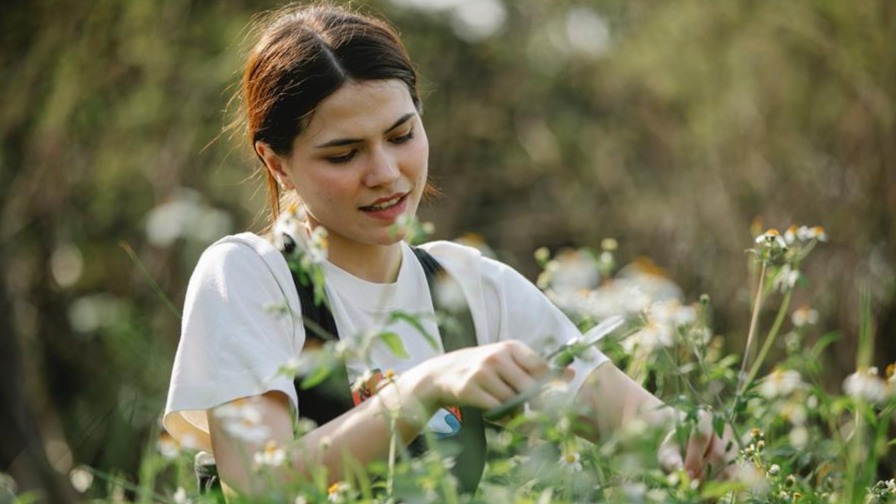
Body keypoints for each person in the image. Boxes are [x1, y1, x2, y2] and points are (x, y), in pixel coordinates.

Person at [163, 2, 735, 499]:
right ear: (276, 163)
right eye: (344, 154)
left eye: (401, 136)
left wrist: (686, 442)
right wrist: (425, 387)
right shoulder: (249, 277)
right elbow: (260, 485)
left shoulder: (468, 287)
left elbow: (635, 421)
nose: (385, 173)